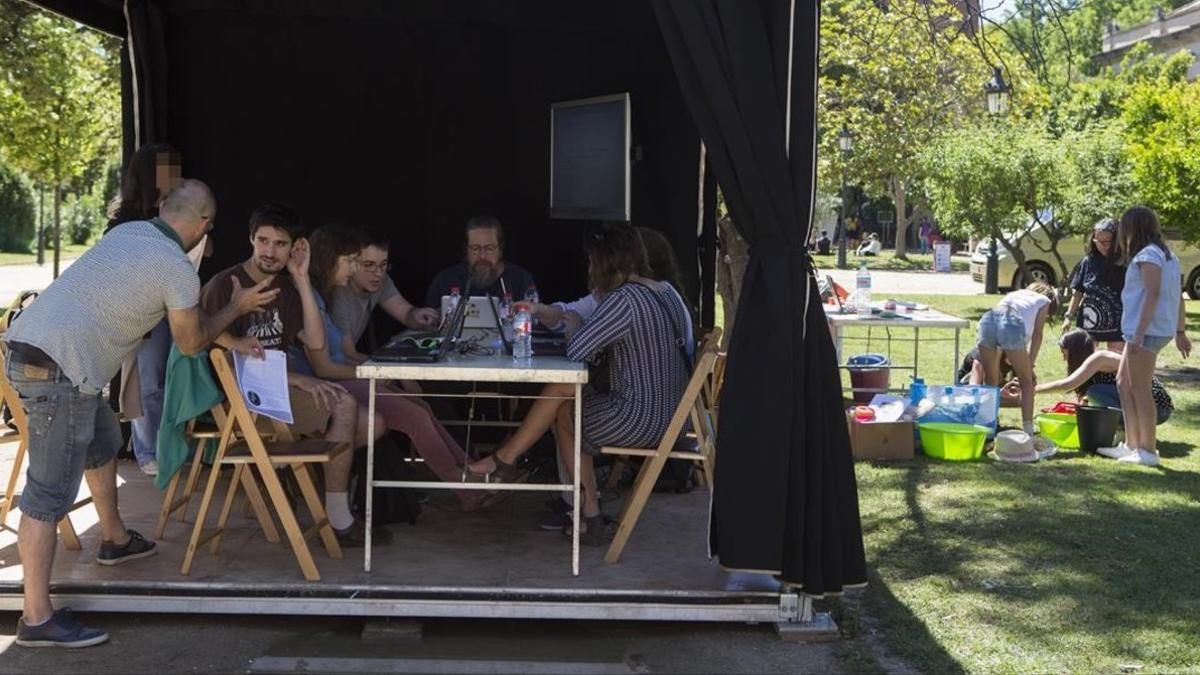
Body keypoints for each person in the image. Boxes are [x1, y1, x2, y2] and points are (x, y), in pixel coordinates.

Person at [4, 180, 279, 648]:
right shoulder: (176, 266)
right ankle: (36, 618)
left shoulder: (126, 233)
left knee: (105, 440)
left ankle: (113, 539)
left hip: (37, 352)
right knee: (47, 495)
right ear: (203, 225)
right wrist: (236, 306)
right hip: (60, 370)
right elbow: (191, 342)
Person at [464, 223, 692, 544]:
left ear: (604, 261)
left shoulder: (624, 299)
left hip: (644, 419)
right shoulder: (664, 291)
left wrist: (572, 323)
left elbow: (576, 350)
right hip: (674, 416)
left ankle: (582, 506)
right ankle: (577, 503)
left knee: (565, 409)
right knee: (563, 394)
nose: (588, 267)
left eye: (591, 261)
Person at [199, 203, 385, 545]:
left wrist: (300, 278)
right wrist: (295, 378)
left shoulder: (286, 287)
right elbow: (209, 347)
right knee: (343, 406)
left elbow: (314, 341)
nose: (270, 251)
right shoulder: (225, 284)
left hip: (277, 393)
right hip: (244, 402)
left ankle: (285, 470)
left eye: (280, 244)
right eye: (263, 241)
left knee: (368, 421)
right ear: (251, 239)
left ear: (295, 247)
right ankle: (337, 520)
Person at [298, 224, 482, 510]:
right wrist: (380, 374)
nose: (371, 271)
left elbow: (346, 356)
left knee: (420, 408)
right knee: (415, 416)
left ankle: (476, 475)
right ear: (330, 260)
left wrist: (385, 372)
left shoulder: (322, 296)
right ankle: (470, 490)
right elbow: (327, 366)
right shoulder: (323, 299)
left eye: (381, 265)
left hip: (346, 378)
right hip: (330, 388)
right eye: (354, 262)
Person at [105, 144, 193, 476]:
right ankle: (147, 452)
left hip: (175, 307)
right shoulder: (126, 218)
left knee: (173, 378)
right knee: (147, 381)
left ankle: (170, 445)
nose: (176, 175)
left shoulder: (179, 209)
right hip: (142, 313)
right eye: (168, 169)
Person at [1106, 207, 1191, 466]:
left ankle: (1148, 450)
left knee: (1140, 389)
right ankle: (1132, 444)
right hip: (1146, 330)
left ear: (1133, 228)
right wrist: (1179, 331)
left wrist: (1139, 333)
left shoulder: (1149, 255)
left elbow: (1153, 294)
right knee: (1123, 381)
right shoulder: (1166, 255)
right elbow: (1176, 296)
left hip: (1145, 331)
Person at [1035, 330, 1173, 440]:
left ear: (1075, 351)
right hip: (1150, 407)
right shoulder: (1095, 361)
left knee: (1094, 393)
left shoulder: (1100, 358)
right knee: (1091, 396)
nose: (1064, 358)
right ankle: (1127, 432)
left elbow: (1067, 385)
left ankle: (1124, 431)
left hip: (1158, 408)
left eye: (1065, 354)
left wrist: (1034, 390)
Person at [332, 233, 439, 362]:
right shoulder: (340, 292)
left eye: (383, 265)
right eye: (368, 265)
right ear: (351, 263)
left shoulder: (381, 281)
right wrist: (392, 369)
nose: (378, 273)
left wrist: (417, 314)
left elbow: (405, 313)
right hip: (333, 370)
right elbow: (349, 355)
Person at [975, 282, 1059, 437]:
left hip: (987, 320)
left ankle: (988, 428)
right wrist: (1031, 364)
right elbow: (1038, 334)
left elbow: (999, 325)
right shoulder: (1044, 300)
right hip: (1011, 323)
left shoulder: (1015, 295)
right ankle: (1028, 433)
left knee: (990, 381)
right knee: (1026, 383)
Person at [425, 215, 536, 311]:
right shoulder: (445, 280)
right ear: (466, 250)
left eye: (489, 248)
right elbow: (430, 324)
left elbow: (534, 322)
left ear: (500, 249)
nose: (482, 255)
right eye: (475, 248)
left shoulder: (521, 279)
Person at [1062, 218, 1125, 352]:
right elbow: (1078, 292)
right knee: (1087, 357)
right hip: (1090, 319)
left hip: (1117, 321)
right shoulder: (1088, 261)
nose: (1102, 245)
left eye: (1107, 241)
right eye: (1098, 241)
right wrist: (1068, 316)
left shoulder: (1125, 262)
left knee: (1116, 359)